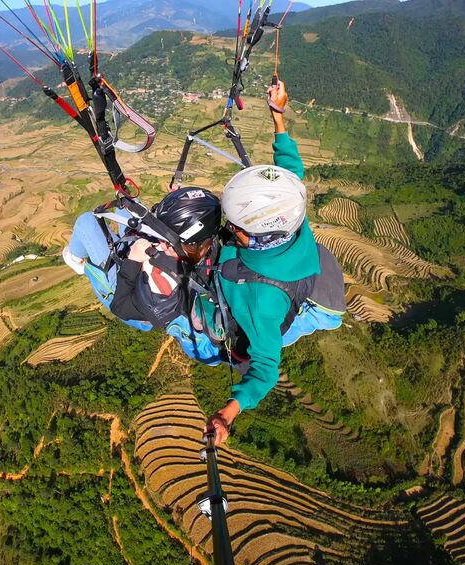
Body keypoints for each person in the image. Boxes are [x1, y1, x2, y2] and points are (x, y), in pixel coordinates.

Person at [200, 80, 346, 445]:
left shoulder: (260, 301)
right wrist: (278, 114)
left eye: (236, 226)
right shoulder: (287, 213)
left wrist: (228, 413)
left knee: (217, 349)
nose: (230, 227)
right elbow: (290, 172)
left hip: (293, 305)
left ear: (259, 237)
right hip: (303, 274)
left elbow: (265, 369)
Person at [63, 187, 224, 365]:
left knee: (86, 222)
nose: (161, 242)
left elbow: (120, 307)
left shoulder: (164, 296)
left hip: (126, 290)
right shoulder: (208, 248)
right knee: (129, 206)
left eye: (166, 240)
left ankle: (76, 259)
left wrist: (133, 260)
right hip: (146, 269)